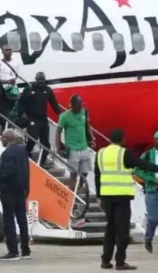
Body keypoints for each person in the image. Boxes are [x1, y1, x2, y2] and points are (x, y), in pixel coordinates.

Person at [95, 129, 158, 270]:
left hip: (106, 196)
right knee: (122, 230)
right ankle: (120, 261)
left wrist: (99, 195)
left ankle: (105, 260)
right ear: (122, 139)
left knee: (110, 228)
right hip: (122, 195)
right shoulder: (124, 153)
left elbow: (97, 175)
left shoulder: (101, 153)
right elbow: (144, 165)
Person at [56, 94, 95, 226]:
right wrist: (58, 147)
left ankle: (74, 193)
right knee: (74, 175)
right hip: (72, 149)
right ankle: (71, 198)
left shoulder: (84, 112)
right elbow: (58, 131)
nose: (81, 106)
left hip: (84, 148)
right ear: (72, 104)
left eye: (81, 103)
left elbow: (87, 125)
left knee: (85, 174)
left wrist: (91, 138)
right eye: (78, 104)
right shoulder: (65, 116)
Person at [0, 129, 31, 261]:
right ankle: (26, 250)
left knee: (9, 220)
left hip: (9, 190)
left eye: (2, 138)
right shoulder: (23, 152)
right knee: (22, 220)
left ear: (6, 138)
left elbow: (9, 173)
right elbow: (27, 172)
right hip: (21, 190)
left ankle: (13, 251)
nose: (1, 140)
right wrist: (27, 189)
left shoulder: (6, 154)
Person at [18, 72, 62, 167]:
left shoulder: (48, 90)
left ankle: (42, 161)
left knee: (45, 143)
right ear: (35, 79)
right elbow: (21, 102)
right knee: (33, 138)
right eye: (39, 80)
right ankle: (26, 153)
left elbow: (54, 104)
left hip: (43, 119)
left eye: (42, 80)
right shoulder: (29, 89)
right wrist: (23, 113)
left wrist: (61, 114)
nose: (40, 82)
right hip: (32, 118)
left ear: (44, 80)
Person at [0, 43, 21, 110]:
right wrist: (7, 81)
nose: (9, 51)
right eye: (7, 50)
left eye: (10, 49)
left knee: (12, 108)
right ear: (2, 52)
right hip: (3, 90)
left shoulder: (16, 63)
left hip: (12, 90)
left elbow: (16, 75)